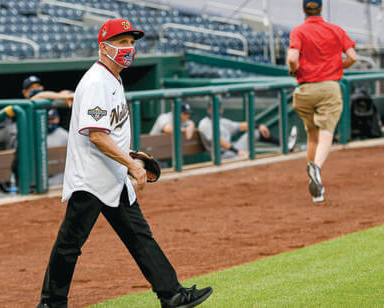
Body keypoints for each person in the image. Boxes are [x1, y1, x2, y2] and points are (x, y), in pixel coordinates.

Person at [37, 19, 212, 308]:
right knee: (70, 244)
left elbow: (108, 133)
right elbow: (95, 135)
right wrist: (131, 165)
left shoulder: (112, 77)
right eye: (121, 42)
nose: (128, 48)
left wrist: (129, 156)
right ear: (103, 46)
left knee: (139, 237)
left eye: (131, 42)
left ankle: (172, 295)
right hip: (91, 179)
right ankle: (51, 302)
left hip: (111, 175)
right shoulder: (96, 82)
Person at [288, 0, 357, 202]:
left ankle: (316, 192)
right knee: (326, 132)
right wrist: (338, 67)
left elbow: (293, 58)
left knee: (312, 135)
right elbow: (353, 56)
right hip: (329, 87)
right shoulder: (335, 30)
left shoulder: (299, 31)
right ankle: (316, 167)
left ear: (303, 9)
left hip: (305, 89)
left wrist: (294, 71)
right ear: (321, 8)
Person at [198, 104, 298, 159]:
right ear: (208, 110)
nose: (217, 111)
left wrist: (259, 126)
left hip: (232, 151)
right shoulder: (205, 123)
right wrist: (238, 152)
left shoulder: (222, 121)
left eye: (219, 108)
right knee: (250, 159)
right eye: (213, 109)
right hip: (222, 156)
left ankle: (285, 144)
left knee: (255, 132)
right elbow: (217, 140)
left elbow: (240, 126)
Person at [46, 108, 68, 186]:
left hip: (59, 176)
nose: (50, 122)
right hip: (44, 176)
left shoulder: (65, 135)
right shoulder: (39, 134)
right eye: (48, 119)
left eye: (52, 119)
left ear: (58, 119)